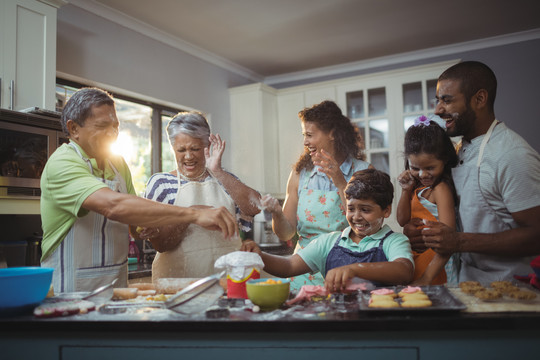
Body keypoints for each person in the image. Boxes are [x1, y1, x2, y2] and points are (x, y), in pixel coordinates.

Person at [40, 88, 238, 293]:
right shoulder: (62, 162)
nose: (113, 133)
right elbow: (114, 206)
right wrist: (194, 213)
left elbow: (133, 222)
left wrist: (142, 227)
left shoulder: (116, 163)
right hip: (69, 291)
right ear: (74, 129)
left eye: (116, 126)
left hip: (116, 287)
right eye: (102, 126)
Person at [404, 61, 540, 283]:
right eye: (437, 101)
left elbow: (536, 234)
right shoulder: (457, 151)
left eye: (447, 100)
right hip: (466, 283)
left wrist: (459, 242)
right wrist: (420, 230)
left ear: (480, 99)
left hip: (509, 291)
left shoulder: (512, 155)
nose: (438, 110)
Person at [259, 100, 372, 292]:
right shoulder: (300, 174)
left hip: (346, 269)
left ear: (333, 134)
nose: (305, 142)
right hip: (302, 272)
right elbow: (286, 233)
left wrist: (339, 180)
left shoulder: (363, 171)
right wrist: (277, 213)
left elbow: (365, 224)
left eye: (310, 135)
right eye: (304, 135)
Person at [242, 169, 414, 293]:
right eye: (351, 209)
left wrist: (355, 269)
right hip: (336, 321)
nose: (356, 216)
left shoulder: (394, 241)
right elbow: (289, 266)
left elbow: (403, 270)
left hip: (380, 324)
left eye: (366, 210)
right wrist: (258, 256)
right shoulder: (330, 242)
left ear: (386, 211)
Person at [142, 111, 261, 281]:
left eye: (195, 149)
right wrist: (192, 214)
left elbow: (255, 206)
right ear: (173, 149)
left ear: (207, 147)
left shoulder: (224, 179)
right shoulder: (161, 184)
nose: (188, 156)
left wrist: (217, 171)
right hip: (178, 285)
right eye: (181, 150)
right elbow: (161, 244)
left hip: (227, 282)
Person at [396, 115, 459, 286]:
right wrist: (405, 190)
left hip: (437, 268)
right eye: (415, 168)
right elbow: (402, 220)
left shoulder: (440, 190)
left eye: (430, 168)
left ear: (444, 160)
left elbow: (449, 239)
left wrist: (427, 278)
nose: (423, 174)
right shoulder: (417, 188)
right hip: (419, 260)